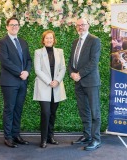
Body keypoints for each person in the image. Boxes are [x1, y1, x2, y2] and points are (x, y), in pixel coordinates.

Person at [0, 17, 32, 148]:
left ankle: (16, 135)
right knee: (9, 109)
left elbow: (28, 60)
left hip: (22, 81)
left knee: (18, 109)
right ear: (7, 27)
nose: (14, 27)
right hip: (9, 82)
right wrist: (20, 73)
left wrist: (27, 72)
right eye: (11, 25)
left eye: (16, 25)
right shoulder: (2, 42)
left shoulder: (23, 42)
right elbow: (5, 61)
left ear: (19, 26)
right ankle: (8, 137)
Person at [68, 18, 101, 151]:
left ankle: (96, 139)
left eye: (83, 25)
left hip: (91, 82)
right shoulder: (75, 41)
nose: (80, 27)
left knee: (94, 112)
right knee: (84, 111)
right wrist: (71, 73)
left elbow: (94, 62)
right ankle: (87, 136)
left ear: (88, 25)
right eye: (78, 25)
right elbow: (71, 61)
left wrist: (79, 74)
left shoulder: (94, 40)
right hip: (78, 82)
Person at [33, 30, 66, 148]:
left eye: (51, 38)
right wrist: (49, 81)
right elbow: (37, 70)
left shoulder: (59, 52)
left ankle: (50, 137)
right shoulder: (38, 52)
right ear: (43, 40)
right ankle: (43, 139)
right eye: (47, 38)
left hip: (56, 86)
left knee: (52, 113)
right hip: (44, 86)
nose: (49, 40)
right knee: (45, 112)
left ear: (54, 39)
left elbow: (63, 68)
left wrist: (57, 81)